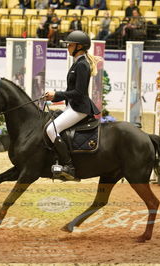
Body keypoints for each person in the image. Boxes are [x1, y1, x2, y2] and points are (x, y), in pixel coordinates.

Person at [44, 31, 100, 181]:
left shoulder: (82, 65)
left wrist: (56, 95)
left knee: (52, 129)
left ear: (79, 46)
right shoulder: (78, 62)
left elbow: (78, 93)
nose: (67, 47)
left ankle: (69, 167)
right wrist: (57, 98)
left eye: (70, 44)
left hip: (79, 108)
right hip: (72, 106)